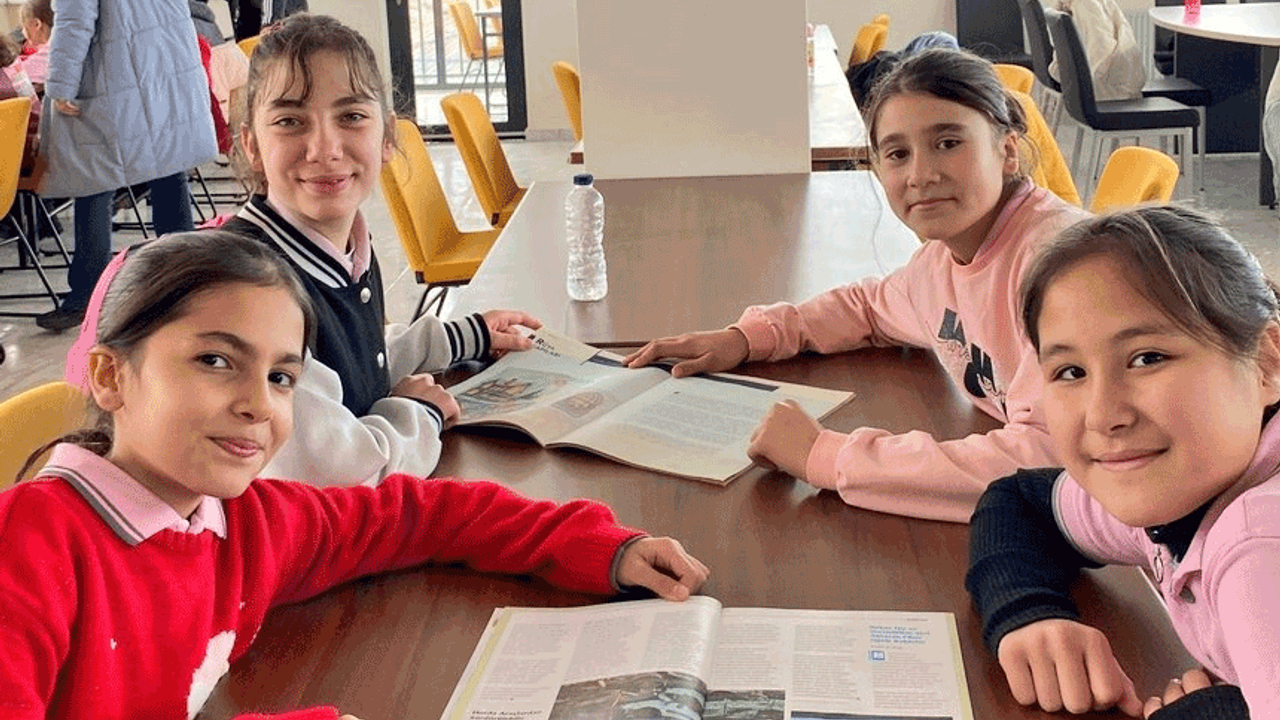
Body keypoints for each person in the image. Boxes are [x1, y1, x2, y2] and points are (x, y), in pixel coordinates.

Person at [0, 230, 709, 720]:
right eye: (215, 361)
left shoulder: (243, 523)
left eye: (281, 377)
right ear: (109, 375)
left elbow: (418, 517)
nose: (257, 404)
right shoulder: (28, 549)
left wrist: (591, 542)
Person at [65, 13, 541, 488]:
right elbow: (341, 472)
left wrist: (461, 337)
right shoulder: (250, 287)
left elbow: (351, 366)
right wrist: (421, 412)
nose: (324, 149)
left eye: (351, 117)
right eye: (290, 121)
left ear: (387, 138)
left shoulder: (343, 249)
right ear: (252, 145)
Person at [626, 48, 1091, 523]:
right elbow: (868, 307)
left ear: (1007, 151)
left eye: (948, 143)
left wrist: (827, 456)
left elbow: (1051, 460)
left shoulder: (1064, 269)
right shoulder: (938, 263)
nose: (920, 175)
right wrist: (749, 337)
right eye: (898, 154)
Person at [967, 206, 1280, 719]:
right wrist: (1030, 614)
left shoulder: (1261, 542)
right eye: (1070, 371)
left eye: (1147, 358)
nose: (1103, 415)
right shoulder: (1183, 485)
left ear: (1266, 363)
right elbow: (1018, 504)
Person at [35, 0, 218, 331]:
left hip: (114, 79)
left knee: (93, 185)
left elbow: (75, 24)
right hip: (163, 74)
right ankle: (188, 281)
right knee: (169, 176)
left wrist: (61, 85)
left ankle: (87, 296)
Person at [16, 0, 51, 90]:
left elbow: (14, 77)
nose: (23, 31)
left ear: (37, 24)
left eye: (24, 26)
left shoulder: (45, 55)